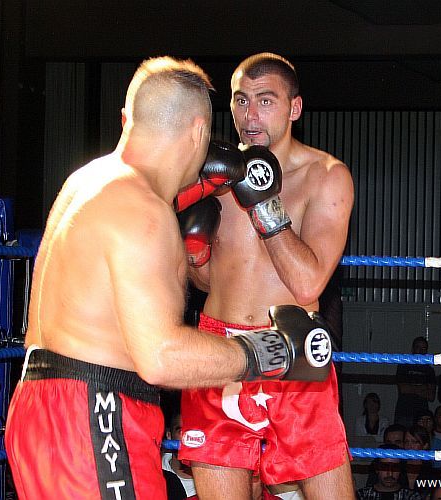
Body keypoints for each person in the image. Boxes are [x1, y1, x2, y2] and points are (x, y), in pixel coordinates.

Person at [4, 56, 335, 500]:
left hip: (41, 407)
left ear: (128, 119)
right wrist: (268, 349)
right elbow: (161, 358)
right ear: (199, 132)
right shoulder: (144, 212)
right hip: (96, 415)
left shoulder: (88, 181)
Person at [178, 52, 354, 499]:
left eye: (265, 100)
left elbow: (308, 283)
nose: (250, 115)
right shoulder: (211, 176)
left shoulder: (326, 176)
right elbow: (210, 284)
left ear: (294, 108)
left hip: (294, 351)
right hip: (220, 350)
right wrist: (195, 257)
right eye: (241, 100)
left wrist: (262, 202)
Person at [395, 336, 437, 429]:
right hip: (404, 413)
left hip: (422, 416)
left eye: (424, 348)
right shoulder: (403, 366)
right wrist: (422, 388)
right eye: (418, 347)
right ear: (413, 349)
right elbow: (403, 389)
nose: (421, 351)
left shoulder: (429, 370)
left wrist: (412, 388)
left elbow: (431, 396)